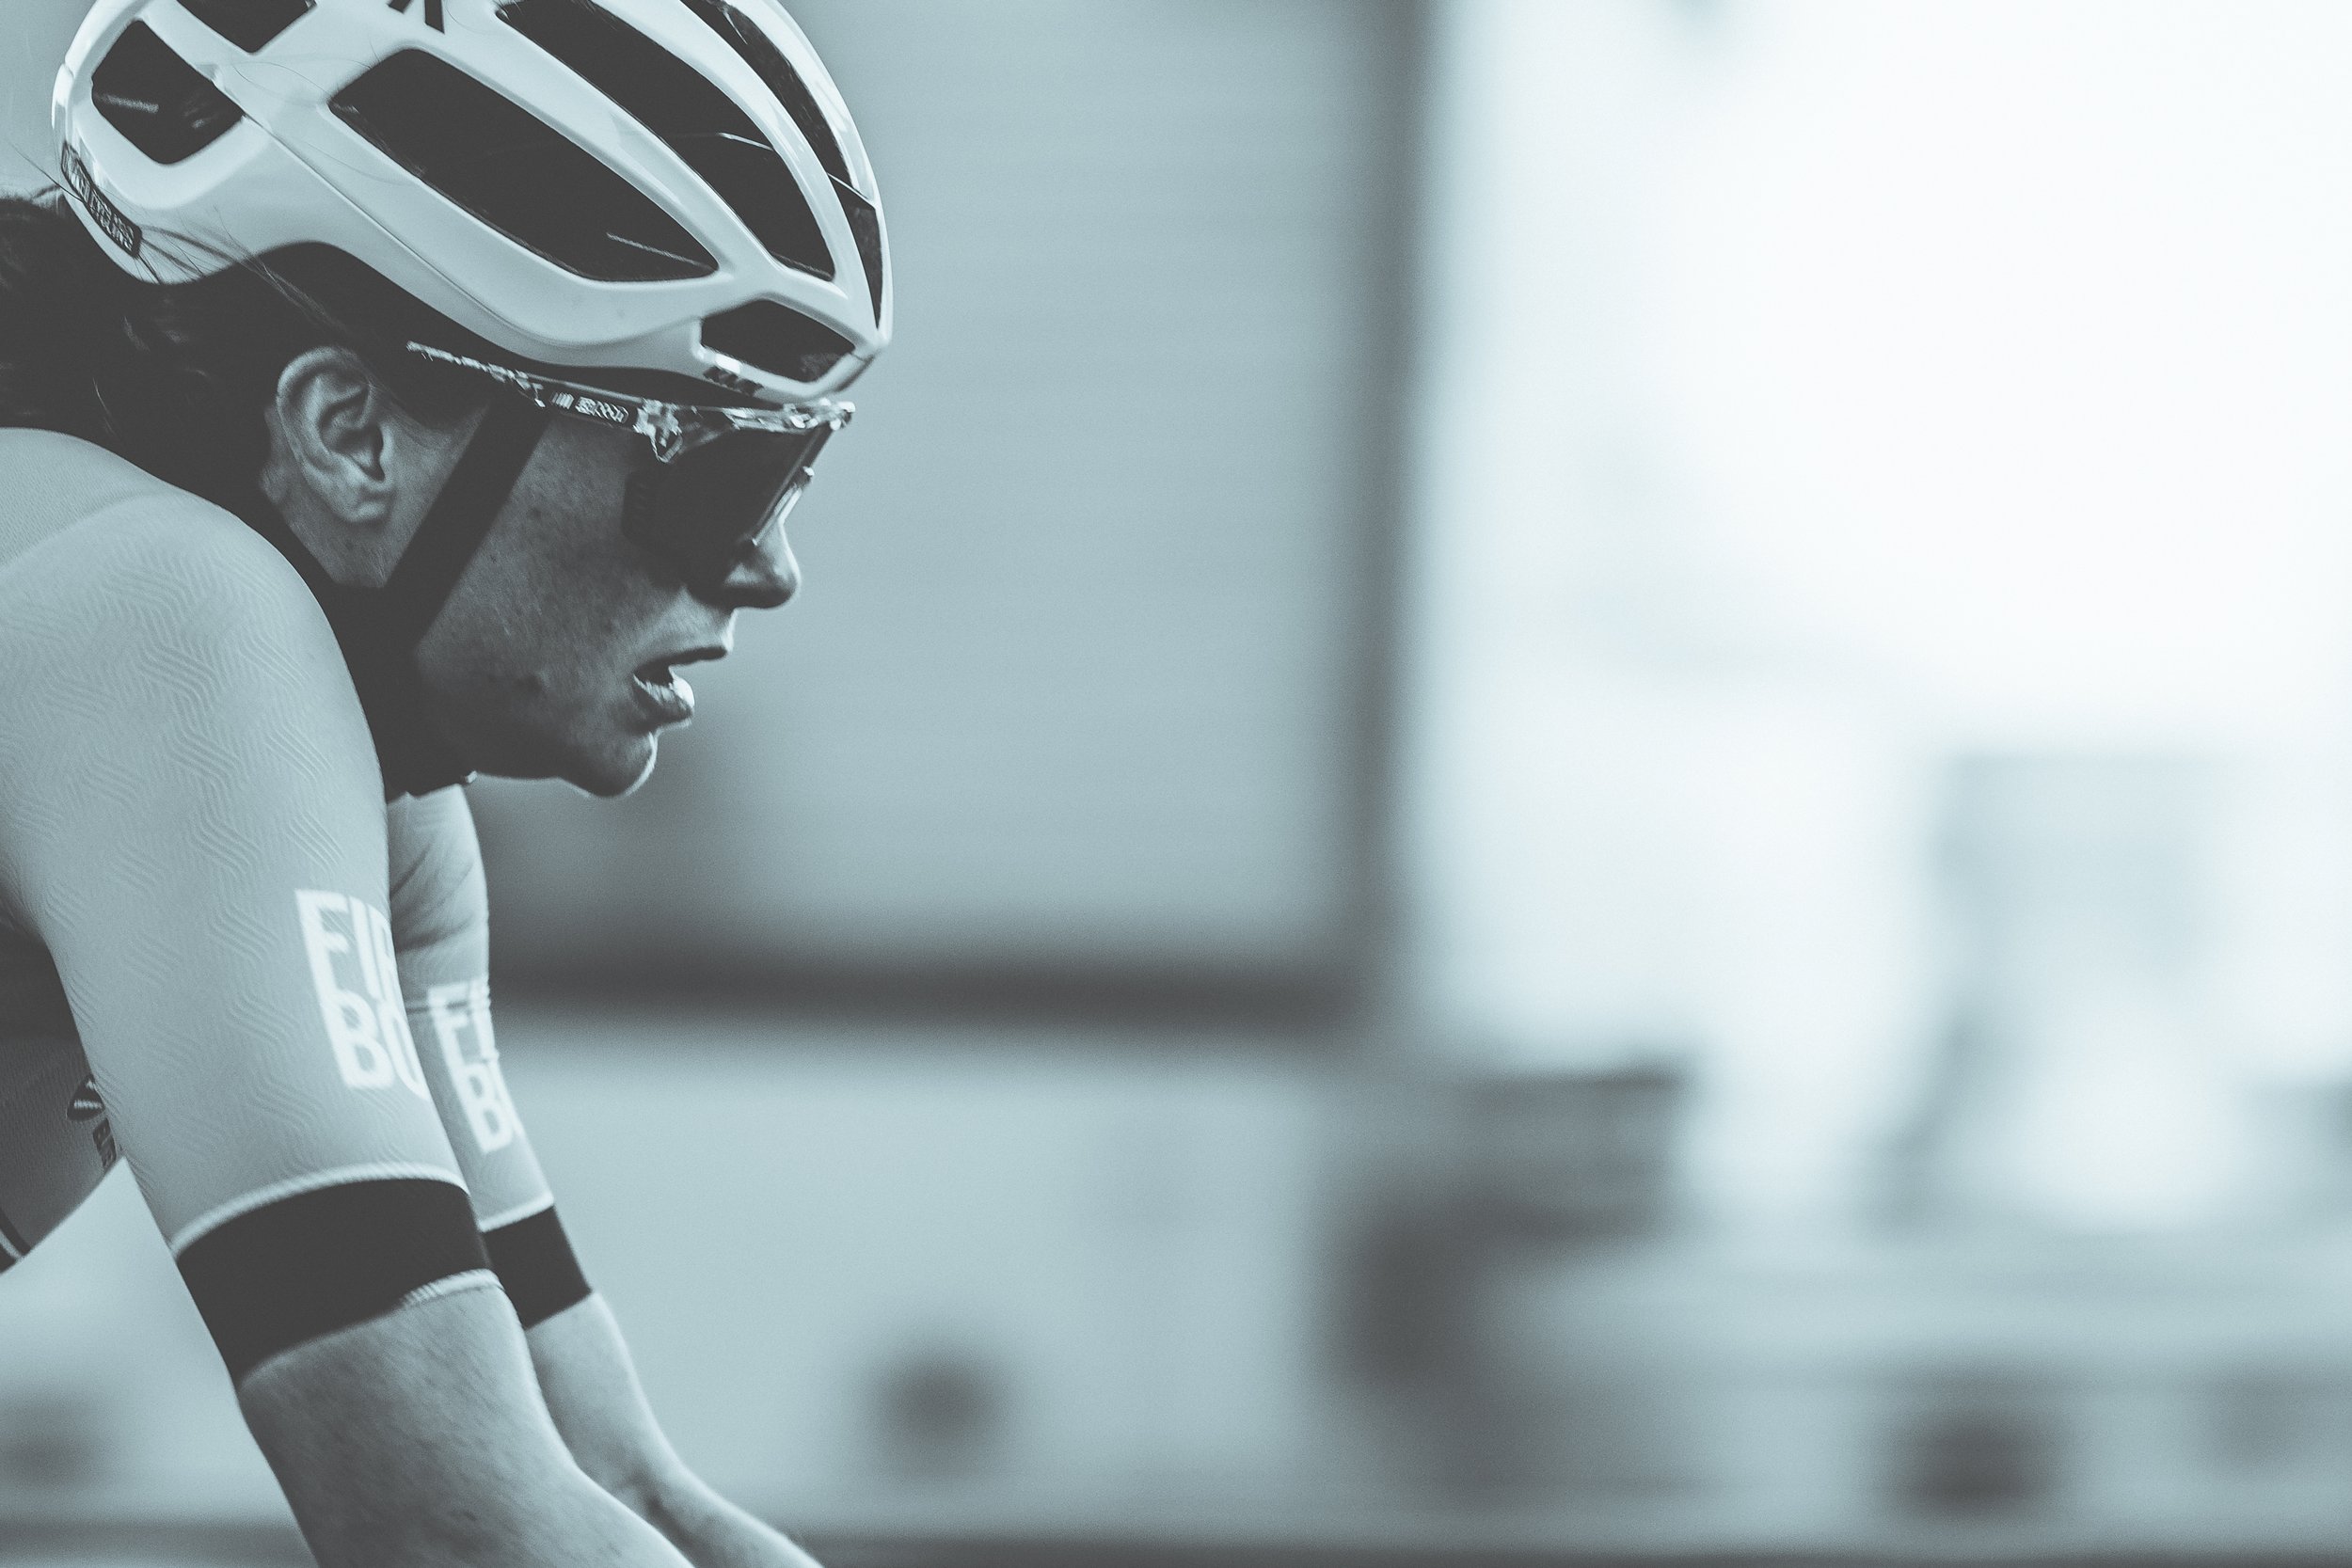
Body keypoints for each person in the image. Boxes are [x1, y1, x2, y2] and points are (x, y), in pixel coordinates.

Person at [0, 0, 889, 1562]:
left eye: (796, 466)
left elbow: (610, 1488)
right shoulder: (164, 618)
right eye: (717, 473)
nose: (771, 568)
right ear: (350, 434)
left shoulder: (382, 796)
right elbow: (454, 1530)